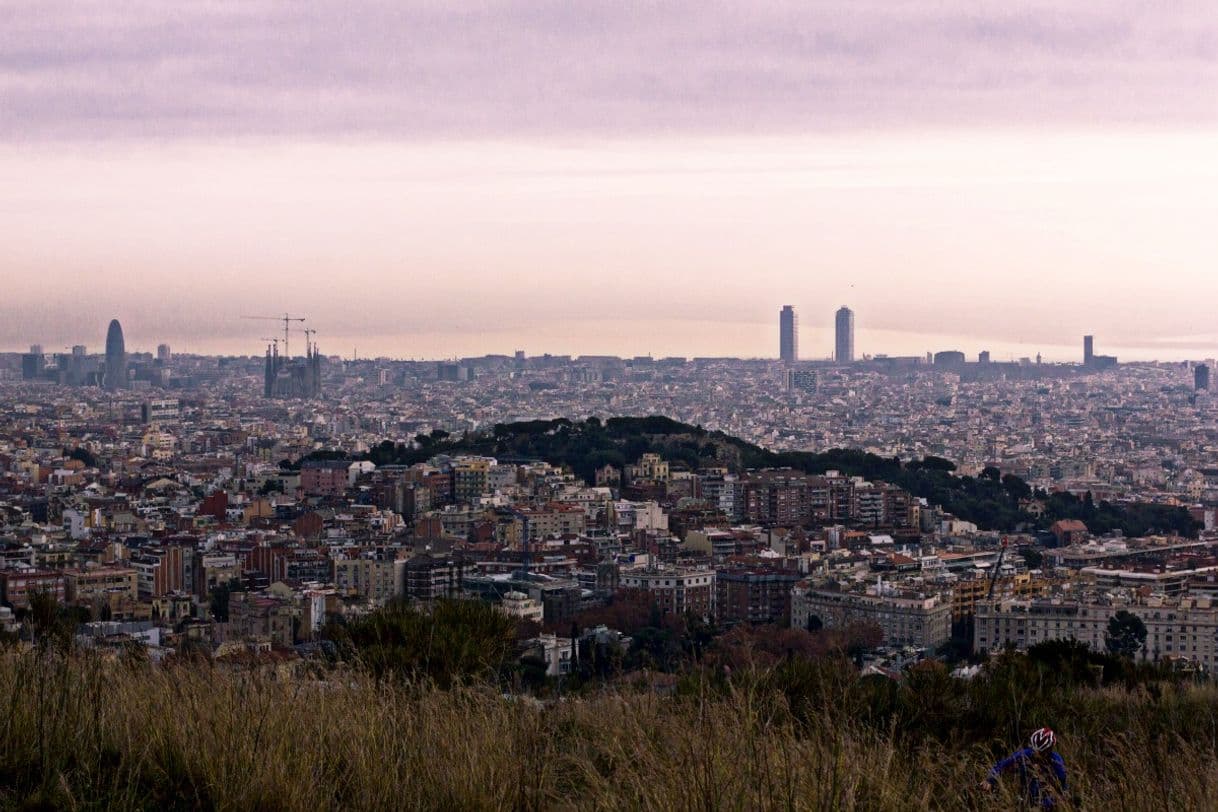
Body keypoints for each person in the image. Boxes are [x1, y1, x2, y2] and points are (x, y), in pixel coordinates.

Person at [980, 727, 1068, 808]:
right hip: (1027, 794)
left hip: (1047, 796)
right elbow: (1003, 764)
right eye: (1034, 750)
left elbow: (1063, 787)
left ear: (1049, 750)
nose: (1035, 754)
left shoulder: (1056, 761)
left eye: (1040, 752)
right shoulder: (1027, 753)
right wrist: (990, 780)